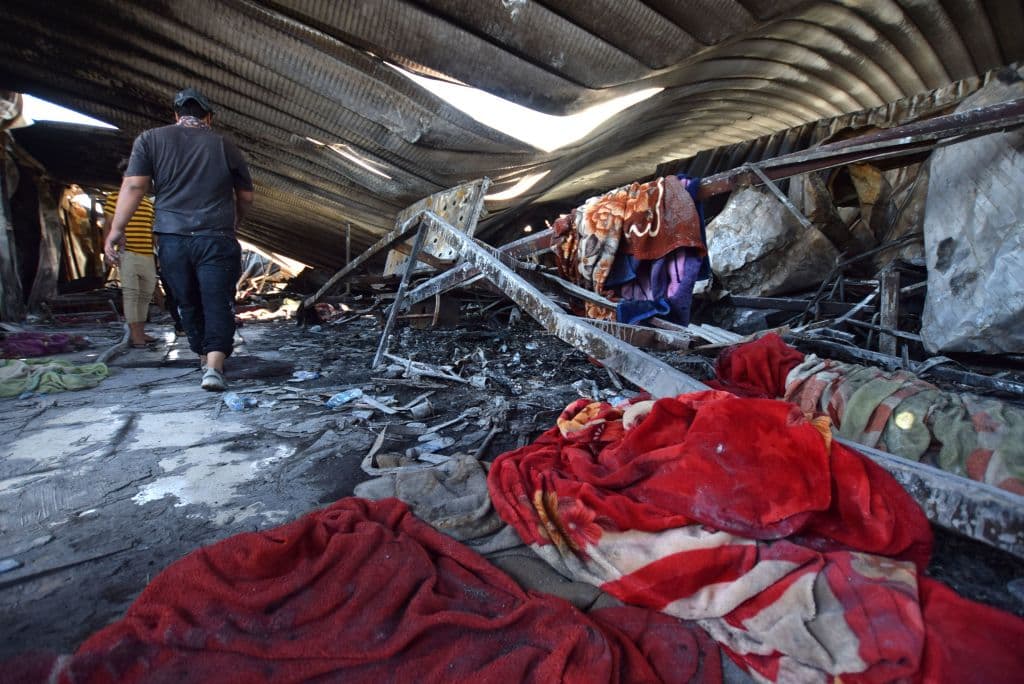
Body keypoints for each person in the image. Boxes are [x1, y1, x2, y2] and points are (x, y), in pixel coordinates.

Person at [104, 87, 254, 391]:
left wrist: (116, 230)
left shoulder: (149, 140)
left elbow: (134, 186)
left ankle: (203, 354)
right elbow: (246, 195)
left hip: (172, 239)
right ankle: (213, 365)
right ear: (208, 117)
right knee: (217, 301)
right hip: (215, 236)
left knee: (188, 301)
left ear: (176, 114)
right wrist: (237, 220)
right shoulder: (225, 144)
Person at [102, 159, 158, 348]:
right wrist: (108, 250)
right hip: (128, 253)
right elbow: (108, 226)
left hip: (147, 254)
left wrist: (158, 253)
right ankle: (136, 335)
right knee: (131, 294)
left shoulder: (148, 204)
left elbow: (151, 231)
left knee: (145, 294)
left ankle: (141, 331)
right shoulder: (114, 198)